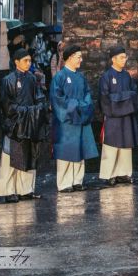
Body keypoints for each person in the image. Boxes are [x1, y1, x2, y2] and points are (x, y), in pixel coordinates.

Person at [0, 48, 48, 203]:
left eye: (30, 60)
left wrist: (36, 110)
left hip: (30, 123)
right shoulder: (8, 80)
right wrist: (27, 111)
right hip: (15, 126)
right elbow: (6, 106)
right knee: (11, 158)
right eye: (25, 60)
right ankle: (9, 190)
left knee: (29, 156)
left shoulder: (32, 79)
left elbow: (39, 98)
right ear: (16, 62)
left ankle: (26, 190)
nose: (28, 63)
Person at [51, 44, 98, 192]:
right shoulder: (60, 77)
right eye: (79, 57)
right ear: (70, 58)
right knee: (66, 150)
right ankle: (64, 183)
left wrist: (82, 107)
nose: (81, 60)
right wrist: (75, 106)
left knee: (80, 150)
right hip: (66, 122)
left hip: (80, 118)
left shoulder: (81, 77)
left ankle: (77, 180)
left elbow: (88, 95)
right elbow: (57, 99)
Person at [98, 46, 138, 186]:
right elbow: (104, 97)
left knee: (126, 145)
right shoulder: (107, 76)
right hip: (113, 115)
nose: (124, 60)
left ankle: (124, 173)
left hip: (127, 115)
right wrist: (122, 101)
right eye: (121, 57)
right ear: (113, 59)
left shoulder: (127, 75)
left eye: (125, 57)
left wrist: (120, 99)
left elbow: (134, 93)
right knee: (111, 145)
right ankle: (108, 175)